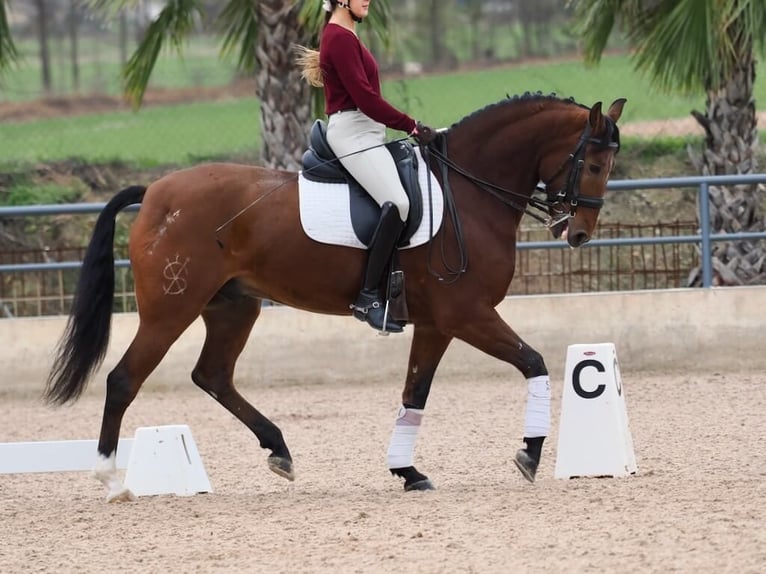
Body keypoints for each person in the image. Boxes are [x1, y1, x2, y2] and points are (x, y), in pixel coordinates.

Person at [298, 0, 437, 333]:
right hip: (352, 134)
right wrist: (412, 125)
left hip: (368, 132)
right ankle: (368, 296)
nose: (368, 1)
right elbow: (365, 98)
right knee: (399, 203)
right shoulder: (339, 37)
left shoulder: (345, 34)